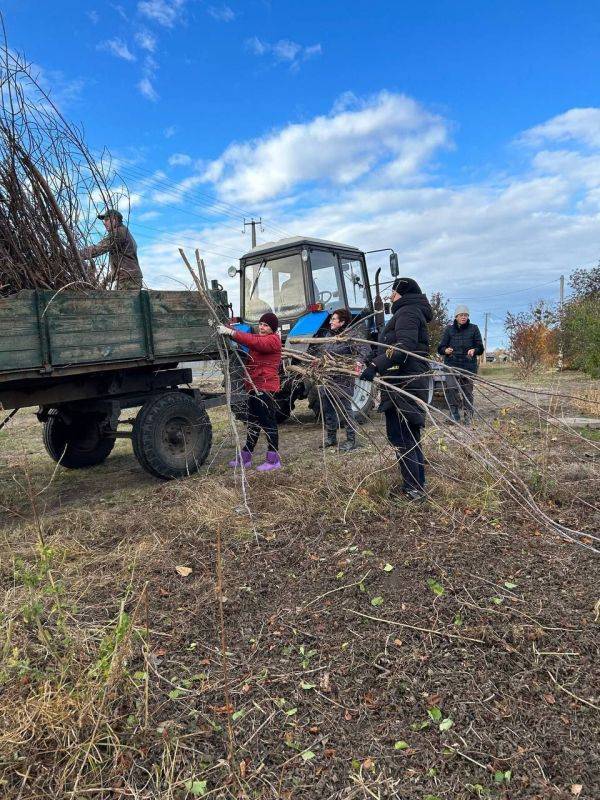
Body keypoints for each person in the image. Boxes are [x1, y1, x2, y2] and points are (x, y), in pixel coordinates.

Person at [360, 277, 432, 501]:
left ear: (402, 292)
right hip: (398, 380)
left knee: (405, 436)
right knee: (402, 435)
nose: (390, 296)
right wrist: (369, 361)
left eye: (392, 291)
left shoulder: (408, 312)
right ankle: (413, 484)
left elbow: (404, 347)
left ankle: (414, 489)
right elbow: (390, 346)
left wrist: (376, 365)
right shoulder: (405, 313)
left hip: (406, 380)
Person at [217, 312, 283, 471]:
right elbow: (251, 341)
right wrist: (228, 330)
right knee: (253, 422)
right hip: (254, 386)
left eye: (266, 325)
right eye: (261, 324)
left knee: (268, 422)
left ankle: (273, 460)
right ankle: (245, 458)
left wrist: (232, 333)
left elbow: (254, 342)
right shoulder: (261, 338)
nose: (262, 327)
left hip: (265, 386)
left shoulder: (273, 340)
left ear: (272, 328)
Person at [317, 308, 370, 452]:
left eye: (333, 319)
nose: (330, 321)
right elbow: (323, 352)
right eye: (332, 319)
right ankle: (331, 438)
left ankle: (351, 440)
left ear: (342, 322)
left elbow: (365, 350)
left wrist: (358, 361)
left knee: (345, 410)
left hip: (343, 379)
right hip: (327, 377)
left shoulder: (351, 335)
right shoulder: (329, 335)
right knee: (328, 409)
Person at [437, 305, 484, 424]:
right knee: (451, 389)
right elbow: (441, 347)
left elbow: (480, 348)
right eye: (461, 315)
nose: (464, 317)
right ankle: (454, 415)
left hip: (468, 365)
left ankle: (468, 416)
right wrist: (445, 350)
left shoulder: (474, 329)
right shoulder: (449, 329)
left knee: (467, 392)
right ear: (456, 317)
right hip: (451, 365)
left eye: (466, 315)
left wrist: (474, 350)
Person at [79, 209, 143, 289]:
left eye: (106, 220)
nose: (104, 223)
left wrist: (76, 253)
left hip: (128, 279)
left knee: (121, 301)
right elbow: (121, 264)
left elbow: (99, 248)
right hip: (130, 277)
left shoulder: (118, 232)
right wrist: (106, 280)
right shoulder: (124, 231)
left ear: (114, 220)